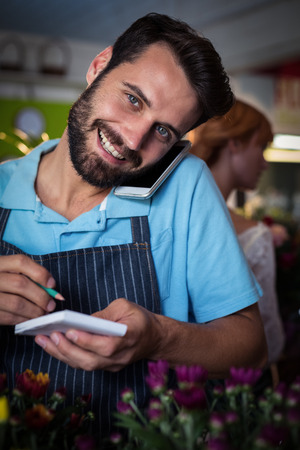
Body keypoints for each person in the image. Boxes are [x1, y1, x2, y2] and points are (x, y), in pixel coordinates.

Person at [0, 14, 267, 438]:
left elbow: (251, 351)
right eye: (133, 100)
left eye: (163, 130)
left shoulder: (186, 187)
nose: (133, 139)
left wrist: (159, 338)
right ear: (99, 65)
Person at [189, 99, 285, 383]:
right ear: (235, 144)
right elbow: (269, 341)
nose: (265, 162)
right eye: (262, 146)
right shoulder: (254, 234)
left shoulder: (173, 214)